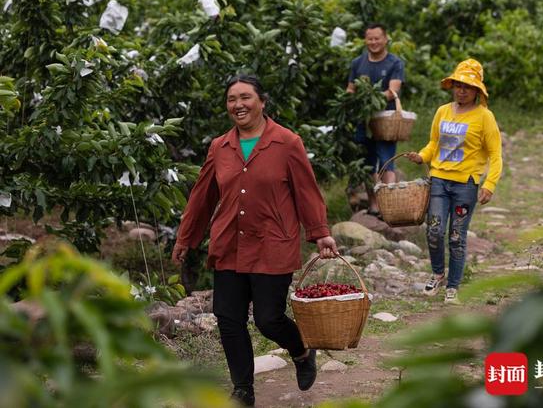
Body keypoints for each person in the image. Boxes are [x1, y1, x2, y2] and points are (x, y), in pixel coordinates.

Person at [171, 74, 338, 407]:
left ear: (262, 102)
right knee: (229, 318)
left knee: (268, 319)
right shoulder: (220, 147)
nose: (238, 105)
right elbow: (202, 197)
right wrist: (186, 238)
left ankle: (302, 351)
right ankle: (243, 389)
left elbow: (306, 191)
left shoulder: (287, 143)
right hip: (229, 244)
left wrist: (320, 232)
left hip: (272, 242)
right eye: (232, 99)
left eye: (245, 97)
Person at [406, 58, 502, 305]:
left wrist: (489, 184)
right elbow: (434, 144)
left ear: (477, 91)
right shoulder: (443, 111)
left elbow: (495, 155)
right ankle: (438, 273)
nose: (461, 90)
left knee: (457, 236)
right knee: (435, 230)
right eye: (458, 85)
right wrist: (421, 156)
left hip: (465, 185)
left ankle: (453, 286)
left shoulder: (485, 117)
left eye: (467, 87)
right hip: (438, 180)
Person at [347, 22, 405, 217]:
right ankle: (374, 206)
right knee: (368, 163)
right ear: (365, 40)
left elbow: (393, 90)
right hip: (362, 121)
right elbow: (350, 89)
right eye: (370, 39)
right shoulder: (357, 63)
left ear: (385, 39)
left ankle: (389, 206)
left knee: (387, 161)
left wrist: (371, 99)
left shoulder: (394, 62)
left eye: (377, 38)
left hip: (385, 121)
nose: (373, 42)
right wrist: (350, 100)